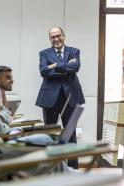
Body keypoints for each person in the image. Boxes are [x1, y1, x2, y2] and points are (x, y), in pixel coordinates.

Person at [35, 27, 85, 169]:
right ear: (49, 39)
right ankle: (52, 168)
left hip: (71, 97)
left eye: (58, 36)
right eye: (52, 37)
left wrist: (56, 65)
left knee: (71, 134)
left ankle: (73, 169)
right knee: (49, 135)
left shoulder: (74, 51)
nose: (56, 39)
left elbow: (75, 67)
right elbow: (44, 71)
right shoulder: (44, 53)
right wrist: (65, 68)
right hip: (49, 98)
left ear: (64, 36)